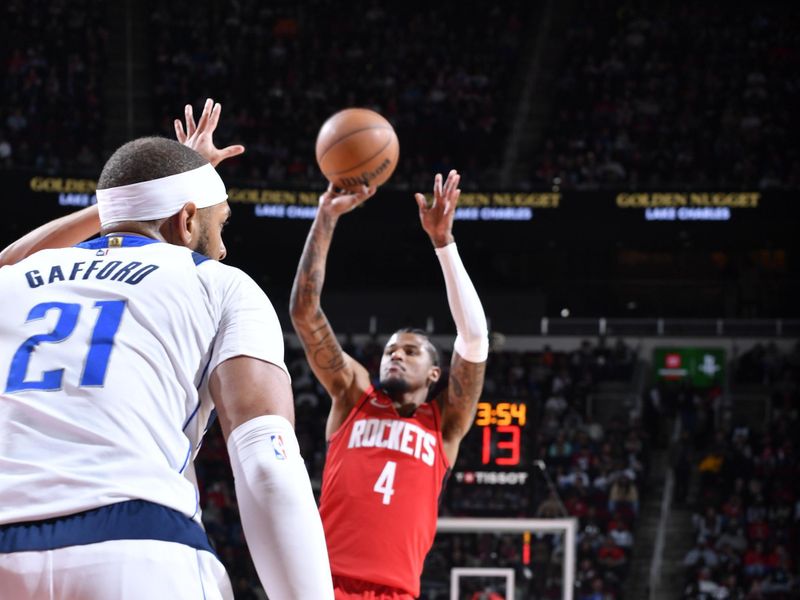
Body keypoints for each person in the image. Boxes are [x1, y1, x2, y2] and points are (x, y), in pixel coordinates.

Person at [0, 99, 333, 599]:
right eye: (219, 225)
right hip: (134, 543)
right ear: (186, 219)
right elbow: (268, 465)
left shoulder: (14, 282)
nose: (222, 247)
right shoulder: (219, 283)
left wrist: (142, 194)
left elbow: (12, 258)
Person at [290, 169, 489, 599]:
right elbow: (305, 312)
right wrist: (325, 218)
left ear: (436, 375)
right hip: (324, 585)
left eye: (411, 351)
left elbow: (474, 338)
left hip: (397, 592)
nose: (395, 354)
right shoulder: (353, 395)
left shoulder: (445, 423)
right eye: (390, 350)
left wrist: (443, 243)